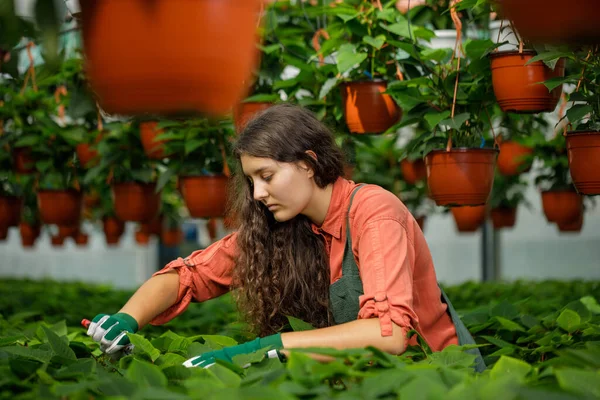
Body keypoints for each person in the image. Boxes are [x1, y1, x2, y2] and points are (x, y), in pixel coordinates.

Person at [86, 104, 485, 372]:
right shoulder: (282, 223)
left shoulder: (374, 213)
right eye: (251, 181)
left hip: (439, 380)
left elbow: (391, 333)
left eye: (267, 176)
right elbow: (192, 274)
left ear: (309, 164)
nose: (257, 194)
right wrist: (126, 318)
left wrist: (262, 348)